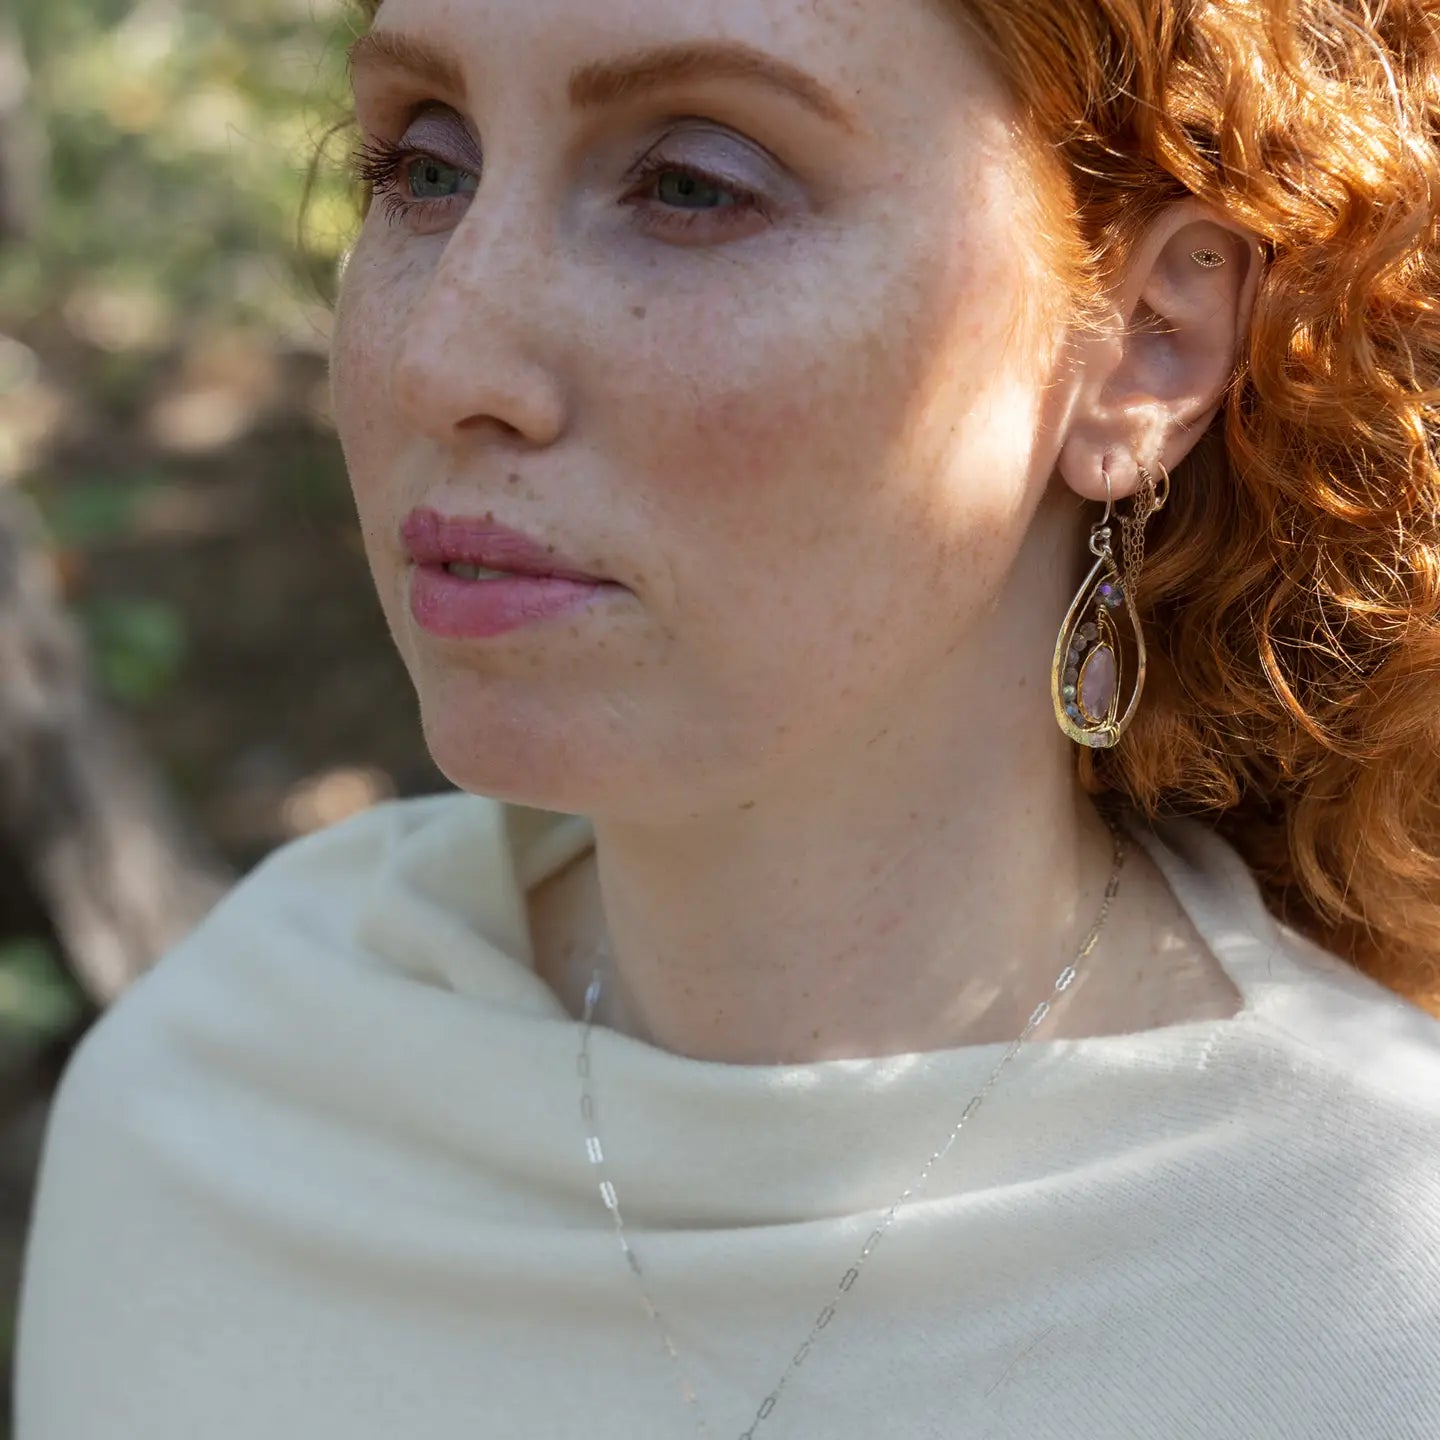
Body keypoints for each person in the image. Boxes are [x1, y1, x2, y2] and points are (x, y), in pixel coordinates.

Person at [14, 0, 1440, 1436]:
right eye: (426, 168)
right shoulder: (214, 1110)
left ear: (1145, 343)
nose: (442, 361)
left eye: (692, 184)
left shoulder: (1372, 1291)